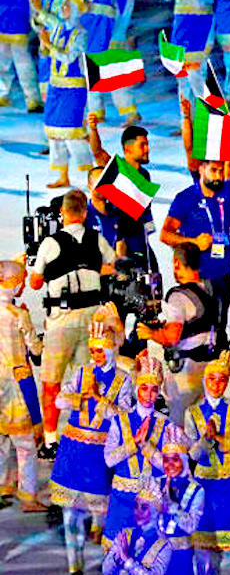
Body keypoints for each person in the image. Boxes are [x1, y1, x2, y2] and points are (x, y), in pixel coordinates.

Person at [29, 188, 115, 456]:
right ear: (85, 213)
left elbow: (35, 282)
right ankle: (88, 432)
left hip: (62, 321)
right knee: (87, 379)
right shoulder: (97, 239)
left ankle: (51, 439)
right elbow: (110, 267)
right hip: (92, 319)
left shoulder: (50, 243)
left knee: (51, 381)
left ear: (62, 213)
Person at [50, 316, 134, 575]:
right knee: (70, 513)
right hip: (74, 451)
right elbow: (59, 402)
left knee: (105, 510)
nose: (96, 355)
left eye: (101, 350)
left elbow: (126, 415)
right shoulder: (82, 372)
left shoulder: (123, 379)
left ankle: (108, 560)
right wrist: (81, 397)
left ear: (111, 349)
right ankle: (74, 566)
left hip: (101, 456)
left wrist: (100, 401)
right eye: (93, 350)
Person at [161, 135, 230, 336]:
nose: (218, 176)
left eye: (221, 171)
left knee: (219, 323)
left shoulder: (227, 189)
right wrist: (193, 242)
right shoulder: (186, 198)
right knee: (199, 324)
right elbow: (165, 234)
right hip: (200, 274)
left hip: (225, 273)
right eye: (213, 170)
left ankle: (216, 358)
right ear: (201, 169)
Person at [135, 244, 221, 426]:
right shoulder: (209, 287)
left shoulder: (177, 296)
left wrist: (150, 333)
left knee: (176, 423)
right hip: (209, 366)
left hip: (186, 372)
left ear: (176, 263)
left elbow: (172, 338)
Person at [185, 351, 230, 575]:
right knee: (206, 547)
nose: (217, 384)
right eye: (212, 379)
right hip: (207, 485)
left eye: (222, 379)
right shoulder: (193, 413)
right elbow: (194, 455)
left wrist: (217, 438)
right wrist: (205, 440)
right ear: (205, 380)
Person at [102, 350, 171, 544]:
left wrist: (146, 447)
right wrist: (132, 444)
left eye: (153, 389)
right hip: (122, 498)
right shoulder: (120, 419)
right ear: (136, 389)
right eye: (144, 388)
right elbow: (108, 459)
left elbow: (168, 466)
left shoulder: (166, 424)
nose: (148, 395)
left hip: (152, 500)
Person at [0, 259, 44, 511]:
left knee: (1, 440)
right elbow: (35, 348)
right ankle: (27, 494)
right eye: (21, 281)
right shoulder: (19, 315)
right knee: (25, 443)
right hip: (17, 382)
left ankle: (3, 485)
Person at [41, 0, 92, 189]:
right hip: (56, 86)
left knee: (73, 133)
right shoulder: (58, 28)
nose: (62, 9)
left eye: (66, 6)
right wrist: (46, 44)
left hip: (72, 88)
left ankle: (91, 176)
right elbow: (49, 52)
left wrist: (50, 46)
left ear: (75, 10)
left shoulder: (81, 34)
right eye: (62, 5)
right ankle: (63, 175)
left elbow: (69, 58)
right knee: (54, 133)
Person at [88, 120, 158, 273]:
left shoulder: (145, 174)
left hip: (140, 239)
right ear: (128, 148)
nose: (147, 149)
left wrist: (148, 228)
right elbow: (97, 152)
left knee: (153, 280)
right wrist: (93, 129)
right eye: (142, 145)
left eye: (147, 144)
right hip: (120, 243)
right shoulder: (117, 170)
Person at [157, 424, 206, 575]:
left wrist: (172, 506)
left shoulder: (197, 490)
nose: (170, 465)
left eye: (175, 460)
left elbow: (191, 526)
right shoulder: (157, 484)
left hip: (183, 557)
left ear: (184, 461)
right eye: (166, 460)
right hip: (157, 556)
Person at [102, 478, 172, 575]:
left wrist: (127, 559)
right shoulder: (125, 534)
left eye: (144, 507)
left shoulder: (164, 546)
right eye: (136, 506)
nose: (138, 512)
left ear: (155, 511)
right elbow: (105, 570)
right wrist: (117, 557)